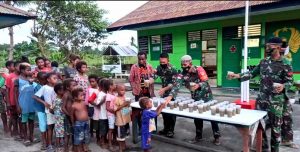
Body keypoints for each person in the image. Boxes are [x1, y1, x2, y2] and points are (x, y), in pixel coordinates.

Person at [228, 37, 294, 152]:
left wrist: (283, 86)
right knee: (260, 126)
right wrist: (237, 76)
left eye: (270, 46)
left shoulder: (285, 63)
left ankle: (275, 150)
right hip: (262, 100)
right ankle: (262, 148)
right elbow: (252, 74)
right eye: (266, 46)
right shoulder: (263, 62)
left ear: (278, 47)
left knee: (275, 129)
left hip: (276, 102)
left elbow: (290, 81)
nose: (267, 48)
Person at [165, 55, 221, 145]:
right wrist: (170, 96)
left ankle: (217, 136)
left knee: (212, 116)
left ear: (190, 62)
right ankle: (198, 136)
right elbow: (176, 85)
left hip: (207, 96)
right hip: (195, 98)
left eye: (185, 64)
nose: (184, 66)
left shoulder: (199, 69)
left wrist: (198, 85)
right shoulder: (182, 74)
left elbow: (206, 82)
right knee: (197, 117)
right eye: (182, 64)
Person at [129, 51, 155, 136]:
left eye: (142, 59)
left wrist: (151, 80)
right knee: (139, 112)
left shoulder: (149, 66)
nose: (141, 61)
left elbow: (153, 77)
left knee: (149, 111)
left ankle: (150, 129)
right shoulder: (134, 67)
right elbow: (131, 79)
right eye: (139, 59)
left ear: (146, 58)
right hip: (138, 93)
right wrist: (133, 88)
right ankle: (141, 129)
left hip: (148, 93)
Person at [154, 52, 178, 138]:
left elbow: (175, 84)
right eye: (161, 62)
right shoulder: (159, 67)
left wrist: (164, 89)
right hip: (163, 93)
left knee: (171, 113)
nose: (162, 64)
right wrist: (150, 78)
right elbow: (154, 76)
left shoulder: (173, 69)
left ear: (168, 60)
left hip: (172, 93)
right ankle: (166, 129)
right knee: (164, 112)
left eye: (164, 62)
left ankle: (171, 131)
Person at [15, 63, 39, 146]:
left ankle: (31, 136)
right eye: (28, 70)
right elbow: (15, 94)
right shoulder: (17, 80)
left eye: (30, 70)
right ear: (22, 70)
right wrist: (17, 105)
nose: (30, 71)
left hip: (31, 104)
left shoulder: (32, 79)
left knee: (31, 121)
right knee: (24, 121)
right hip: (23, 104)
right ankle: (25, 138)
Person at [33, 72, 58, 151]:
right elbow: (35, 96)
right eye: (54, 78)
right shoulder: (44, 87)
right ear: (48, 80)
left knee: (55, 127)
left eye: (57, 78)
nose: (56, 80)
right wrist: (44, 103)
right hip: (49, 111)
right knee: (49, 127)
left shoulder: (57, 87)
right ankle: (49, 144)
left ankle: (54, 142)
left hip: (57, 110)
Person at [71, 87, 90, 152]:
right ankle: (79, 149)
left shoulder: (84, 102)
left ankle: (85, 148)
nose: (83, 96)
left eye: (83, 95)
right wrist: (73, 123)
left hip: (86, 122)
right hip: (78, 123)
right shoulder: (74, 105)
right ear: (75, 97)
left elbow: (85, 111)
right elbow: (71, 115)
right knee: (79, 137)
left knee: (86, 135)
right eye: (81, 95)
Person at [114, 84, 131, 152]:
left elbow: (125, 109)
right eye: (121, 90)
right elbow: (115, 109)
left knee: (125, 135)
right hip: (120, 121)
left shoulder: (124, 97)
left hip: (125, 119)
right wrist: (123, 105)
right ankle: (120, 148)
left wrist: (128, 104)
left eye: (124, 90)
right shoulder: (116, 98)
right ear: (117, 90)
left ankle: (124, 146)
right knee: (120, 136)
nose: (123, 92)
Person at [62, 78, 78, 152]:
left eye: (75, 85)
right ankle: (66, 148)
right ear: (68, 87)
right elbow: (63, 107)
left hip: (74, 116)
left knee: (74, 132)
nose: (75, 86)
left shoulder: (73, 94)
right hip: (68, 117)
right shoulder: (66, 95)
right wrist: (68, 115)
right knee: (67, 134)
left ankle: (74, 147)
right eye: (73, 85)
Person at [34, 72, 48, 150]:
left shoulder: (48, 86)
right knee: (42, 125)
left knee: (48, 124)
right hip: (40, 108)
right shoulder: (37, 86)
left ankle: (48, 140)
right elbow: (35, 97)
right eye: (42, 79)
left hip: (48, 109)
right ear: (38, 80)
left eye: (46, 79)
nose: (44, 81)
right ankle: (44, 142)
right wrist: (43, 102)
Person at [93, 78, 108, 148]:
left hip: (108, 115)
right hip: (103, 116)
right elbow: (98, 104)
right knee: (103, 130)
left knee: (106, 129)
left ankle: (105, 140)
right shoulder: (101, 94)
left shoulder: (107, 93)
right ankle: (102, 142)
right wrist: (103, 100)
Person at [85, 74, 100, 140]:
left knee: (97, 120)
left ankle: (97, 133)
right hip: (91, 107)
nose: (91, 83)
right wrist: (87, 106)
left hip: (98, 107)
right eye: (90, 81)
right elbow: (87, 98)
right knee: (92, 119)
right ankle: (91, 132)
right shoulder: (89, 89)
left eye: (93, 81)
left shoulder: (99, 89)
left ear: (97, 81)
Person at [105, 79, 117, 151]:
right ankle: (109, 144)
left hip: (115, 114)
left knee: (115, 128)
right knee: (111, 129)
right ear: (110, 86)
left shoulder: (114, 94)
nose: (115, 85)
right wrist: (115, 111)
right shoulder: (108, 96)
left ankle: (114, 140)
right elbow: (107, 107)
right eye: (114, 84)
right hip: (111, 115)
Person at [53, 83, 65, 150]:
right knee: (58, 133)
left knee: (60, 132)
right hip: (59, 118)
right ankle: (58, 146)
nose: (64, 91)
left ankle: (60, 145)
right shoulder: (58, 100)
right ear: (58, 91)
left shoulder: (58, 99)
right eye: (63, 90)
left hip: (60, 118)